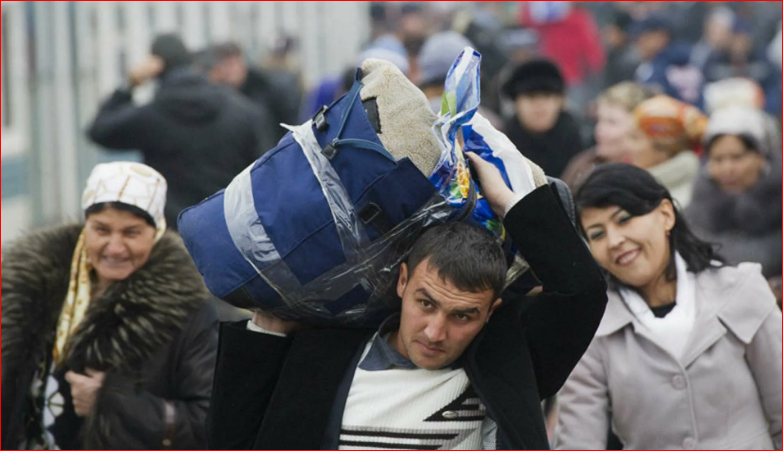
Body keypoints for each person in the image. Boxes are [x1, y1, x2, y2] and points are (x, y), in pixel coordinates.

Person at [206, 152, 608, 450]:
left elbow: (583, 292)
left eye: (463, 316)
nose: (435, 332)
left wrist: (506, 201)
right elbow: (232, 439)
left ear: (491, 313)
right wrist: (267, 332)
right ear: (402, 281)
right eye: (426, 303)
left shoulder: (505, 362)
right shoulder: (323, 351)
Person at [554, 163, 782, 450]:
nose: (615, 241)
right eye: (597, 234)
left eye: (624, 220)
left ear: (665, 214)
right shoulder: (592, 330)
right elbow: (579, 439)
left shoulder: (740, 289)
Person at [2, 162, 218, 449]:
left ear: (155, 233)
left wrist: (113, 402)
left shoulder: (187, 312)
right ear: (85, 228)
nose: (115, 247)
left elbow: (208, 421)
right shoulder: (28, 290)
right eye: (101, 229)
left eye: (131, 233)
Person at [87, 34, 270, 229]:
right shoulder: (244, 111)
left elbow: (100, 130)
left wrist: (129, 85)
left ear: (156, 66)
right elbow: (262, 173)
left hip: (175, 230)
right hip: (229, 227)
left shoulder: (152, 116)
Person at [685, 106, 782, 283]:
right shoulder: (694, 219)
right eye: (718, 159)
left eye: (737, 157)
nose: (727, 169)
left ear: (761, 157)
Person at [561, 82, 654, 189]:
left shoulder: (655, 172)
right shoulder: (583, 165)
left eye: (611, 122)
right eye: (599, 120)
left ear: (638, 129)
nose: (599, 130)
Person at [501, 59, 584, 178]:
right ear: (516, 103)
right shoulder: (500, 144)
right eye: (531, 96)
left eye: (547, 96)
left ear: (560, 101)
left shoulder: (583, 144)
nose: (539, 104)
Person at [208, 41, 302, 142]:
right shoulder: (213, 95)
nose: (230, 71)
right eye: (225, 65)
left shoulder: (266, 90)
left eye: (233, 64)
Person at [626, 95, 707, 208]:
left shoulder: (686, 200)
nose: (628, 146)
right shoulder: (640, 187)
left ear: (662, 149)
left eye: (636, 138)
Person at [631, 16, 704, 108]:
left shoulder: (653, 69)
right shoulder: (692, 60)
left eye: (643, 39)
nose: (639, 45)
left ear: (661, 36)